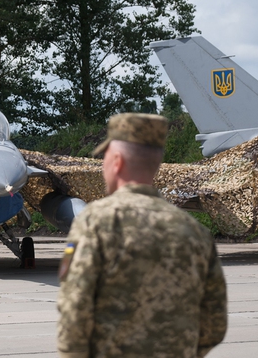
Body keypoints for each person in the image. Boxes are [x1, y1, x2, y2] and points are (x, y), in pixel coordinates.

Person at [57, 113, 227, 358]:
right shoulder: (195, 232)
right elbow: (215, 321)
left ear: (116, 161)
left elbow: (75, 308)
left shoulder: (96, 222)